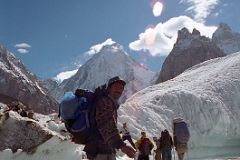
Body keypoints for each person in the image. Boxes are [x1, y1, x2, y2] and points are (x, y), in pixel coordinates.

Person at [83, 76, 136, 160]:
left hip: (105, 150)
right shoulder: (104, 102)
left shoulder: (111, 103)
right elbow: (107, 125)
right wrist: (122, 146)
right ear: (109, 88)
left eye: (121, 88)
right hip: (99, 151)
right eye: (115, 87)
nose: (118, 90)